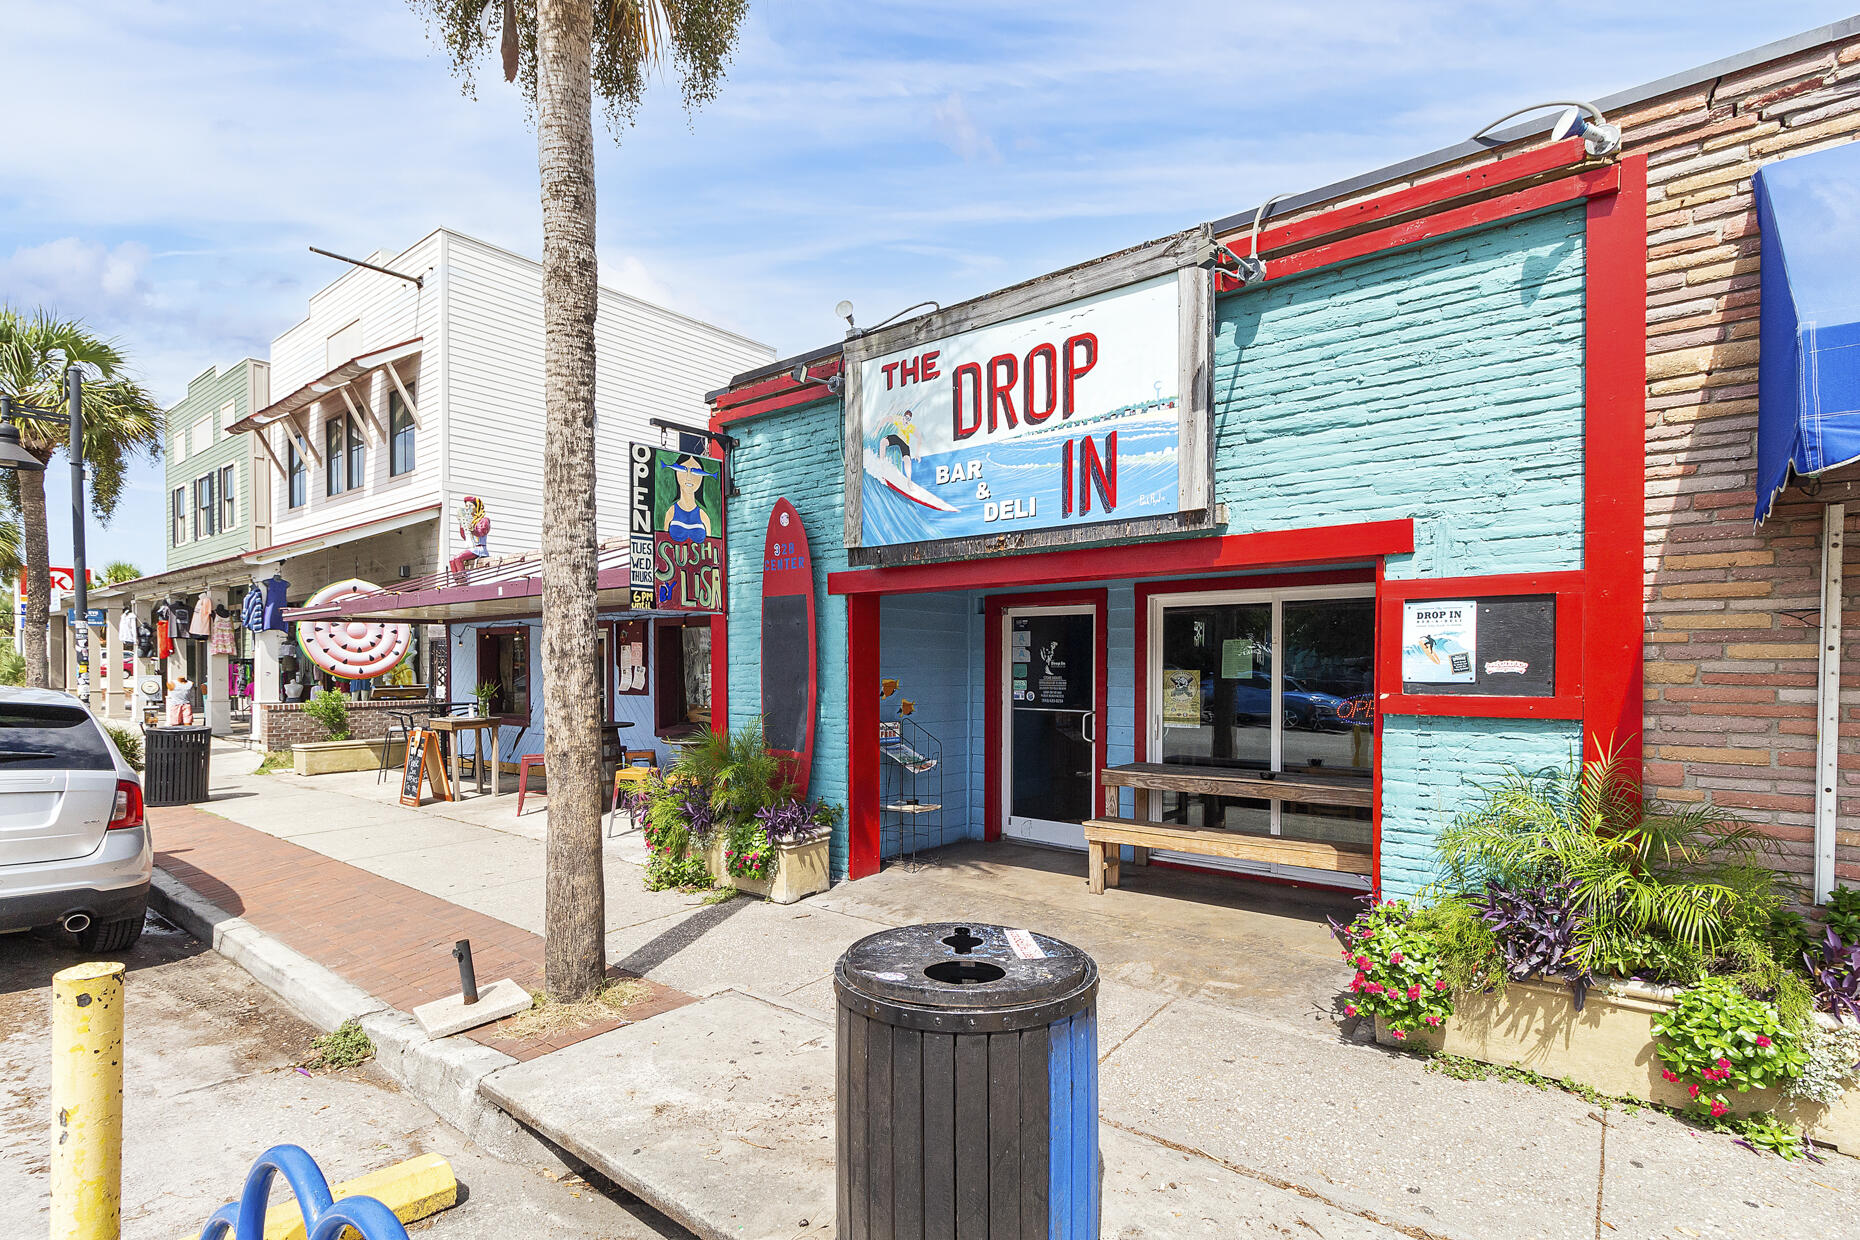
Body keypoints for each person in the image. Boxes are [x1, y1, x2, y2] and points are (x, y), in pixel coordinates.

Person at [660, 455, 714, 543]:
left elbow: (711, 548)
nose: (689, 477)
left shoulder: (703, 516)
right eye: (683, 470)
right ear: (676, 473)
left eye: (696, 472)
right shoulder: (671, 512)